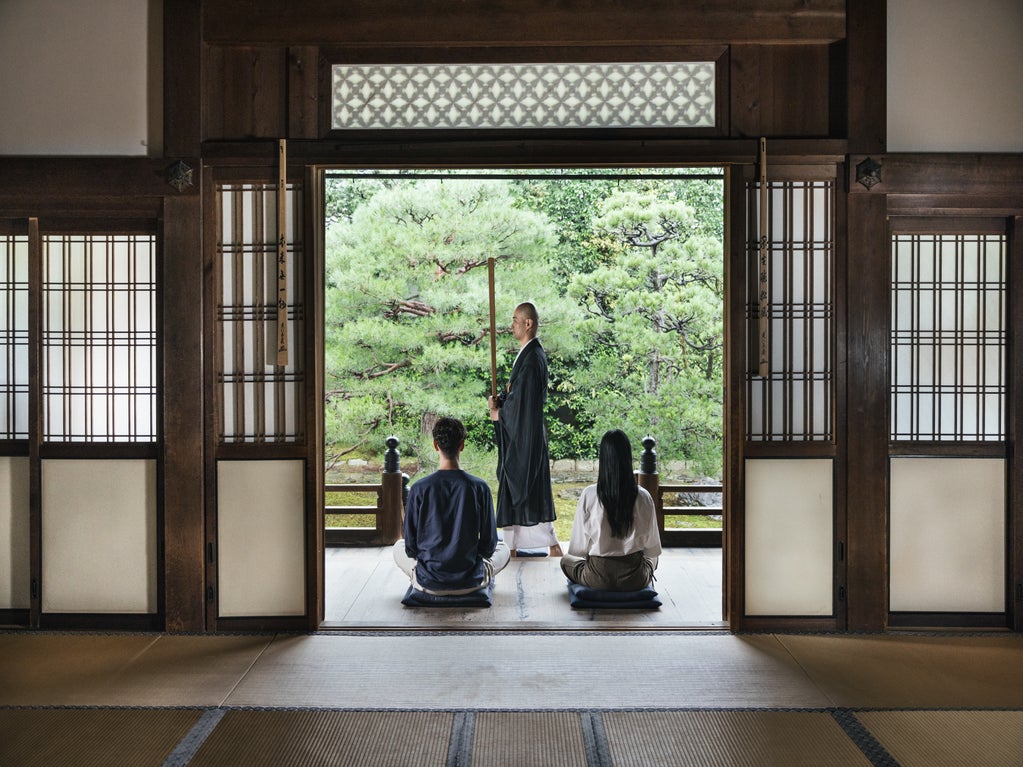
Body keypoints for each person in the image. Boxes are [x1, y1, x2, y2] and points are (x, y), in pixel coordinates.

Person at [393, 417, 510, 594]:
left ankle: (422, 578)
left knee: (398, 547)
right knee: (503, 548)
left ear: (435, 445)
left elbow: (410, 548)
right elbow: (488, 546)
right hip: (471, 581)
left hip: (429, 581)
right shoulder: (480, 487)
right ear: (462, 445)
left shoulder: (419, 488)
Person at [487, 301, 561, 557]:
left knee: (522, 485)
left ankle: (525, 547)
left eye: (515, 320)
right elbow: (517, 396)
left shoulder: (532, 359)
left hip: (525, 436)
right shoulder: (530, 355)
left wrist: (499, 412)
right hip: (526, 434)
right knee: (527, 489)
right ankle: (517, 546)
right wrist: (503, 400)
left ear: (528, 323)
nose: (511, 326)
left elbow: (523, 405)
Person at [561, 429, 661, 591]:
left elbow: (578, 549)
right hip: (634, 578)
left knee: (565, 560)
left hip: (596, 577)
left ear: (603, 459)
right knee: (654, 559)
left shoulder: (589, 494)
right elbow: (652, 549)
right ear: (628, 458)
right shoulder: (644, 496)